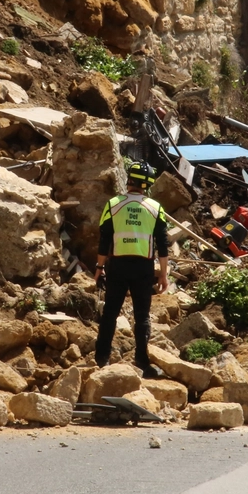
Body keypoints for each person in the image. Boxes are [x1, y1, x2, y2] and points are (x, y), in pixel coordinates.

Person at [93, 161, 169, 379]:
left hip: (117, 265)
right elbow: (163, 245)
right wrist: (163, 274)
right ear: (147, 184)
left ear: (130, 180)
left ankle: (102, 358)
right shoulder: (155, 208)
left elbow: (104, 240)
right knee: (142, 316)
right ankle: (142, 362)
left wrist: (99, 267)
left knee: (110, 313)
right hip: (143, 268)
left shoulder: (113, 204)